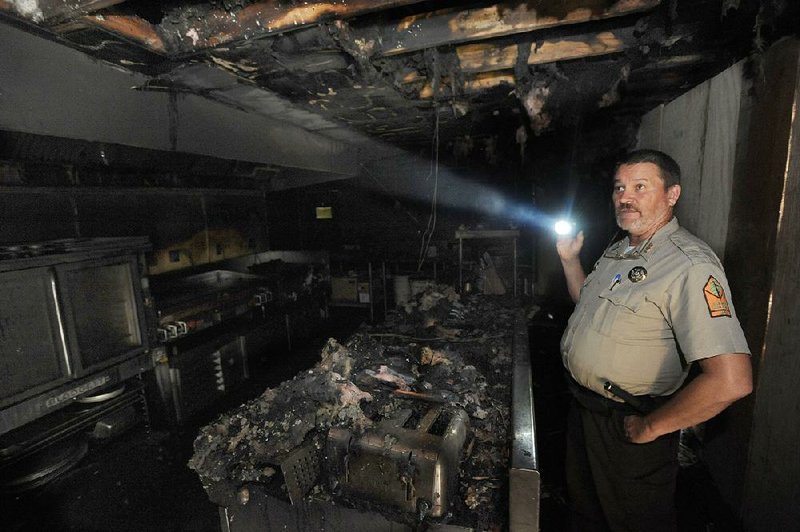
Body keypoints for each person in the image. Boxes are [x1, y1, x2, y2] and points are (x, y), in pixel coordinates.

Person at [555, 149, 753, 532]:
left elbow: (732, 380)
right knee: (586, 515)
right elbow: (588, 305)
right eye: (619, 188)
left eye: (640, 187)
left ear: (672, 194)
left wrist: (652, 428)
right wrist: (569, 260)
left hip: (629, 427)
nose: (625, 197)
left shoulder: (689, 264)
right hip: (585, 413)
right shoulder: (619, 250)